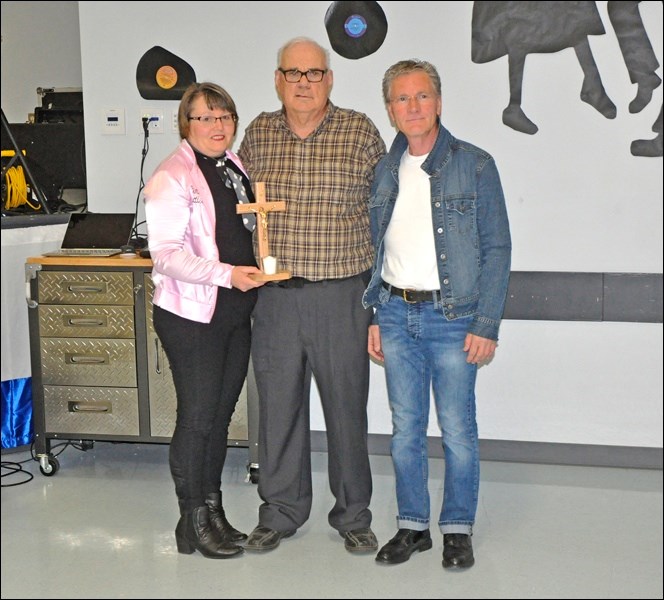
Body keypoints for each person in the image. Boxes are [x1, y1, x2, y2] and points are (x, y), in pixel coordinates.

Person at [237, 37, 386, 553]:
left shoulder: (360, 133)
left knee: (347, 409)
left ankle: (353, 514)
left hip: (342, 294)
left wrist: (381, 300)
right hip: (275, 299)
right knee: (278, 409)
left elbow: (384, 219)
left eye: (314, 73)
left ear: (330, 79)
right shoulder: (257, 134)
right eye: (293, 73)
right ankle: (279, 510)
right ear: (278, 79)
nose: (304, 82)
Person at [362, 60, 512, 569]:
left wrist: (485, 323)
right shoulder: (383, 170)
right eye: (402, 99)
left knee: (457, 428)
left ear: (439, 102)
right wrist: (375, 317)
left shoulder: (475, 164)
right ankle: (412, 526)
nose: (413, 107)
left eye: (422, 96)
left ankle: (456, 528)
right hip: (396, 314)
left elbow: (497, 248)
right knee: (405, 430)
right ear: (390, 110)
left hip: (454, 319)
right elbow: (374, 250)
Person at [144, 81, 264, 559]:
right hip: (192, 316)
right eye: (206, 118)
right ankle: (191, 517)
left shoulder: (232, 167)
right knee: (196, 419)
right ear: (186, 124)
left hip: (233, 311)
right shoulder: (171, 176)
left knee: (218, 419)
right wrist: (227, 274)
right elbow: (166, 256)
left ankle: (212, 511)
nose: (218, 126)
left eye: (225, 116)